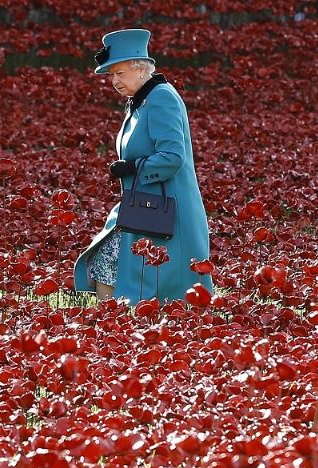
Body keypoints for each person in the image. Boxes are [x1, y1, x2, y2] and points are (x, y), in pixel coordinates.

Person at [73, 29, 213, 304]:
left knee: (117, 265)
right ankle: (113, 325)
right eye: (111, 75)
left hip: (165, 209)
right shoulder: (140, 101)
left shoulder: (161, 98)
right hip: (144, 206)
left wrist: (134, 166)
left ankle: (116, 325)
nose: (114, 81)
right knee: (107, 262)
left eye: (119, 73)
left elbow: (174, 156)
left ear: (140, 69)